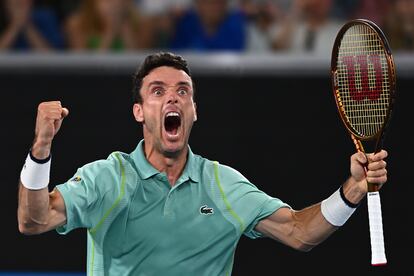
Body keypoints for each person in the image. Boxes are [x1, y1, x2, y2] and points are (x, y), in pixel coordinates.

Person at [17, 52, 388, 275]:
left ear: (194, 111)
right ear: (139, 112)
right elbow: (33, 220)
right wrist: (41, 147)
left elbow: (300, 232)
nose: (172, 100)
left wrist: (352, 191)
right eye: (157, 92)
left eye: (183, 92)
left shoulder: (223, 185)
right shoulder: (107, 178)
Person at [64, 0, 152, 51]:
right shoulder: (77, 24)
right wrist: (110, 33)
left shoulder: (143, 23)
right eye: (107, 1)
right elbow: (82, 68)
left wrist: (126, 31)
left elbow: (141, 68)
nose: (114, 5)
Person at [169, 0, 246, 51]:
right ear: (198, 4)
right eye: (209, 2)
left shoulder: (236, 24)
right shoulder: (186, 23)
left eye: (218, 2)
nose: (214, 8)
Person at [0, 0, 65, 51]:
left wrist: (27, 26)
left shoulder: (45, 17)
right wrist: (15, 26)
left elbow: (52, 59)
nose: (21, 2)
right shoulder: (2, 19)